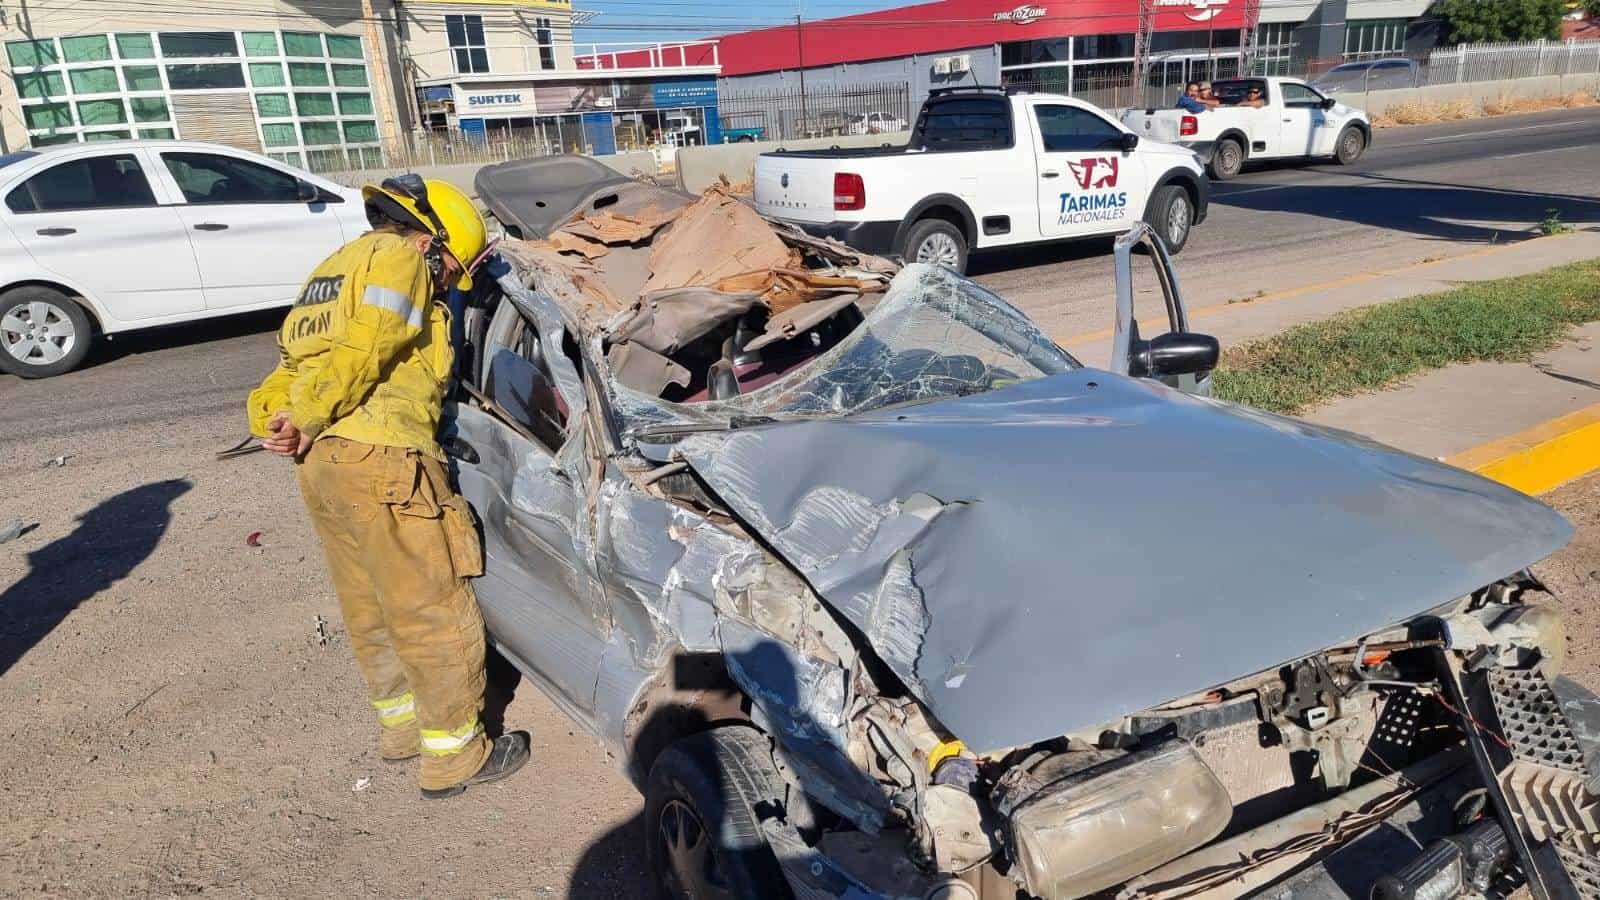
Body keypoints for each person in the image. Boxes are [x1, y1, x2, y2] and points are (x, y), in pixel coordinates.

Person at [246, 175, 529, 800]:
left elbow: (287, 369)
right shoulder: (401, 257)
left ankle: (403, 733)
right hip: (383, 460)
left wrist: (280, 419)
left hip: (324, 467)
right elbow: (372, 342)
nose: (450, 279)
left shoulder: (331, 269)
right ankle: (456, 757)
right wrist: (314, 411)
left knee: (370, 607)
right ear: (436, 240)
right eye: (455, 265)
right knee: (430, 609)